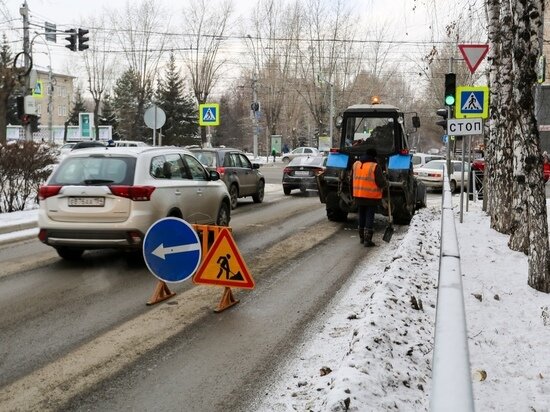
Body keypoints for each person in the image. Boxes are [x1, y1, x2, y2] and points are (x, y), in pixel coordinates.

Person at [352, 147, 387, 247]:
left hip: (358, 195)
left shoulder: (356, 164)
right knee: (369, 216)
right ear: (374, 156)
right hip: (371, 196)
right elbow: (380, 182)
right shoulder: (375, 166)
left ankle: (362, 238)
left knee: (361, 215)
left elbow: (352, 179)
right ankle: (368, 240)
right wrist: (386, 184)